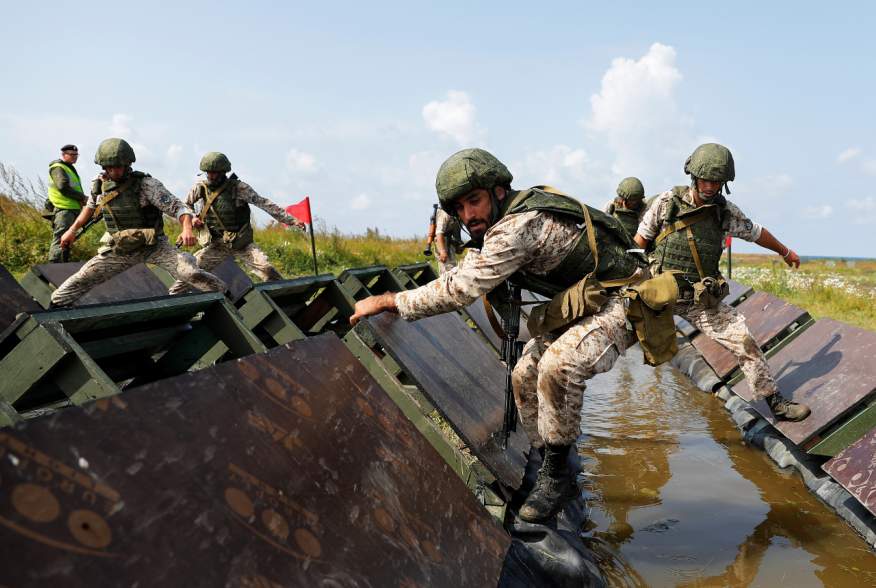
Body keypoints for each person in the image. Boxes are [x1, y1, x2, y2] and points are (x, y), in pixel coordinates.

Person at [349, 148, 648, 522]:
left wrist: (389, 300)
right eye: (459, 208)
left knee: (558, 367)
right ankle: (552, 461)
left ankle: (556, 478)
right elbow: (461, 274)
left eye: (474, 201)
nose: (468, 215)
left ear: (499, 191)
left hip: (623, 300)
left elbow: (460, 289)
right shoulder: (496, 229)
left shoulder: (519, 226)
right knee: (524, 376)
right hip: (584, 302)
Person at [633, 143, 810, 421]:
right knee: (608, 338)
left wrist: (784, 251)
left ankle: (775, 402)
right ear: (694, 176)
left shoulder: (724, 213)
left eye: (717, 182)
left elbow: (755, 232)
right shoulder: (668, 203)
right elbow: (640, 243)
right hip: (657, 294)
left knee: (745, 341)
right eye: (705, 180)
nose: (710, 186)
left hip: (697, 301)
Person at [50, 138, 226, 307]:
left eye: (119, 167)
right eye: (111, 167)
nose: (116, 171)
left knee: (190, 272)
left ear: (128, 164)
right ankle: (54, 310)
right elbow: (89, 208)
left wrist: (187, 228)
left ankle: (225, 296)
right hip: (122, 248)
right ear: (104, 166)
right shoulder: (99, 185)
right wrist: (72, 230)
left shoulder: (147, 185)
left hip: (155, 247)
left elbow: (179, 208)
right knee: (82, 278)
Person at [166, 152, 305, 294]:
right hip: (217, 245)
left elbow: (264, 203)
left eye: (214, 173)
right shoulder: (200, 188)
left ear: (223, 172)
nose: (210, 176)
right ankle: (172, 300)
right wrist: (193, 217)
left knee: (267, 269)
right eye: (208, 173)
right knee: (190, 272)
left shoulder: (239, 188)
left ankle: (284, 297)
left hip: (240, 243)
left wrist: (292, 220)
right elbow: (184, 206)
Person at [46, 144, 86, 262]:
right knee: (60, 240)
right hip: (64, 209)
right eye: (72, 155)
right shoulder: (58, 167)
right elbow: (63, 187)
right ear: (63, 155)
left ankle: (63, 266)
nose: (75, 157)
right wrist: (82, 197)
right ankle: (54, 269)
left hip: (71, 209)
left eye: (76, 155)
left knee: (67, 240)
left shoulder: (68, 168)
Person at [434, 207, 464, 273]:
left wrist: (459, 245)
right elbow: (439, 233)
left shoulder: (456, 215)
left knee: (453, 269)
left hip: (450, 244)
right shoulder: (445, 213)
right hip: (442, 244)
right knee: (447, 271)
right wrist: (442, 251)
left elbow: (457, 234)